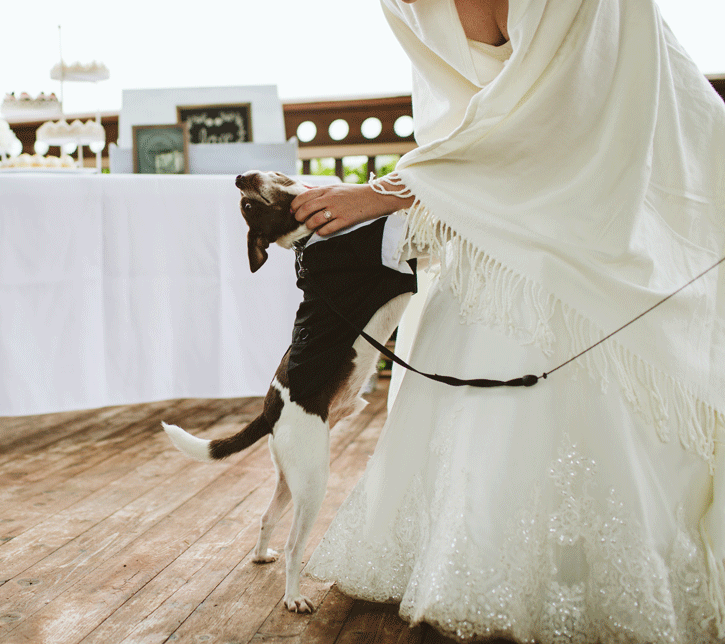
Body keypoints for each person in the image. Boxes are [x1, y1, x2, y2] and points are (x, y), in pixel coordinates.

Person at [291, 0, 725, 641]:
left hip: (634, 160)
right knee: (481, 315)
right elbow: (454, 113)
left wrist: (379, 193)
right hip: (518, 185)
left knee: (605, 330)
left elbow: (559, 108)